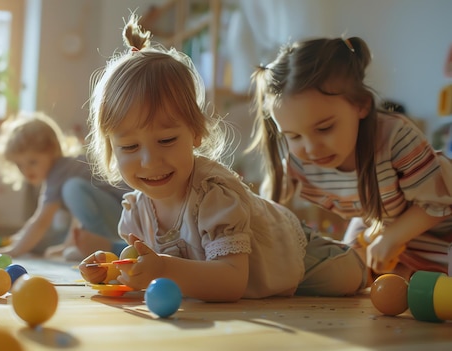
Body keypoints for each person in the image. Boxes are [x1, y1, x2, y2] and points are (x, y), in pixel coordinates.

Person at [78, 15, 367, 302]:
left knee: (350, 277)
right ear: (111, 147)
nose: (150, 161)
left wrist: (163, 268)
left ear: (196, 133)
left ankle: (365, 234)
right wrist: (109, 269)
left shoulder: (213, 196)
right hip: (261, 280)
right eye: (129, 147)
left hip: (293, 253)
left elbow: (231, 282)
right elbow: (146, 269)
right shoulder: (135, 212)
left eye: (166, 140)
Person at [248, 36, 452, 277]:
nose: (311, 148)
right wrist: (270, 201)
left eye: (324, 128)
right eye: (293, 136)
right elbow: (273, 191)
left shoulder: (396, 136)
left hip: (438, 227)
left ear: (362, 105)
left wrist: (391, 238)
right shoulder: (299, 160)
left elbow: (438, 203)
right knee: (344, 273)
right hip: (379, 227)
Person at [0, 111, 129, 261]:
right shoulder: (64, 170)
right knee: (70, 192)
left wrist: (12, 251)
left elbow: (41, 221)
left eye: (33, 162)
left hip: (127, 212)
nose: (26, 171)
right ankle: (92, 245)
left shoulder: (60, 170)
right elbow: (77, 219)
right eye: (20, 165)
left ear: (52, 151)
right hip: (119, 214)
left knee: (72, 188)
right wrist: (65, 246)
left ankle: (100, 247)